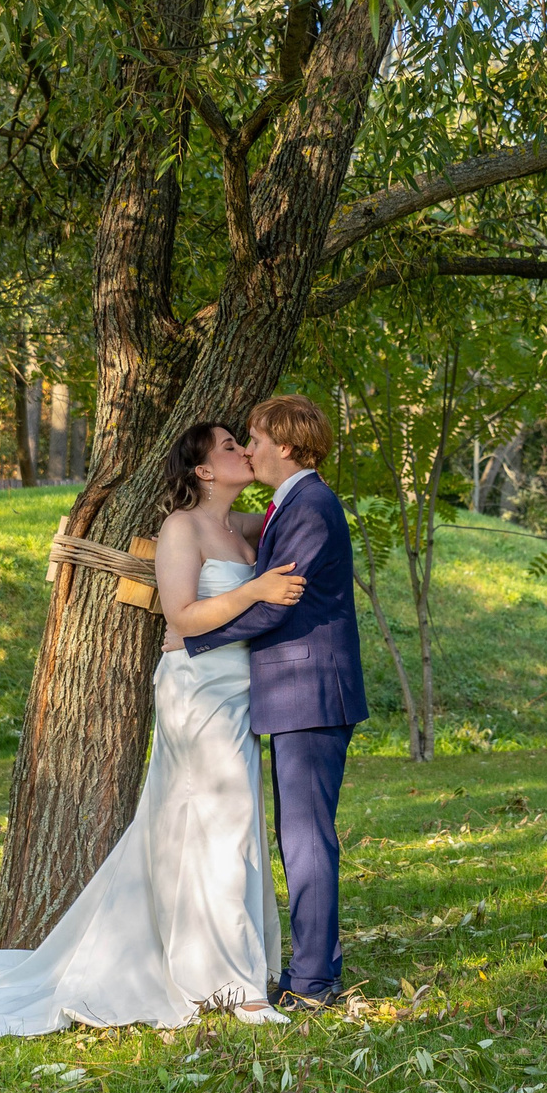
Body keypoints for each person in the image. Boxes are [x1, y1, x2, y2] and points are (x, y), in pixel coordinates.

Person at [0, 423, 306, 1036]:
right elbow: (182, 614)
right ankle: (230, 983)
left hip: (240, 691)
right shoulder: (181, 528)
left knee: (218, 825)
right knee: (223, 818)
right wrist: (260, 588)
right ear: (204, 471)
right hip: (197, 686)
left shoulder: (238, 528)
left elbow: (287, 517)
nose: (244, 452)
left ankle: (217, 964)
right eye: (231, 447)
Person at [182, 393, 369, 1009]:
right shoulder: (288, 505)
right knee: (299, 834)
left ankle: (313, 982)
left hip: (310, 691)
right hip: (295, 691)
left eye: (256, 439)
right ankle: (309, 971)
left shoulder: (310, 505)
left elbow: (276, 601)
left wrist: (193, 635)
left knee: (307, 837)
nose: (250, 448)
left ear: (285, 446)